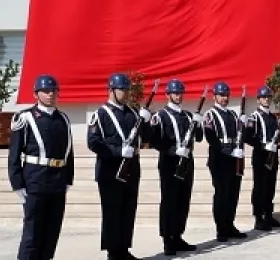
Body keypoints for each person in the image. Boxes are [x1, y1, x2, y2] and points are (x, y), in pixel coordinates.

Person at [87, 72, 153, 260]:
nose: (125, 93)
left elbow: (147, 139)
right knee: (112, 211)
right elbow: (93, 142)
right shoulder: (100, 114)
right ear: (111, 90)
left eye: (126, 89)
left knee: (128, 209)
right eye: (121, 89)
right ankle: (113, 252)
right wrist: (117, 151)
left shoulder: (133, 113)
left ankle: (124, 249)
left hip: (131, 169)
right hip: (110, 171)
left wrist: (147, 121)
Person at [8, 75, 74, 260]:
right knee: (33, 232)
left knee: (51, 231)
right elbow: (14, 154)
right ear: (36, 94)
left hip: (57, 181)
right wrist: (17, 183)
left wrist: (68, 178)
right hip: (35, 180)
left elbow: (68, 152)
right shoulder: (25, 117)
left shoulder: (63, 119)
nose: (51, 94)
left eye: (54, 90)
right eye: (46, 91)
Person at [149, 78, 203, 255]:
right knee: (169, 201)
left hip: (187, 162)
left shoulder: (188, 115)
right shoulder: (161, 116)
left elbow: (200, 138)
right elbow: (154, 141)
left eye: (180, 93)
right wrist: (173, 150)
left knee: (183, 200)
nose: (178, 96)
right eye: (175, 93)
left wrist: (199, 123)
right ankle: (167, 239)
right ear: (168, 95)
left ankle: (178, 235)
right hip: (169, 163)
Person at [202, 81, 247, 242]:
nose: (224, 98)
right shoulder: (210, 115)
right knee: (221, 193)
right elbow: (211, 138)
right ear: (214, 96)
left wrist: (244, 125)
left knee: (233, 193)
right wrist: (228, 151)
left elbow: (240, 136)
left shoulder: (233, 115)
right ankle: (221, 228)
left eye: (226, 95)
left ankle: (229, 224)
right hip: (219, 158)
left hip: (233, 159)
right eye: (221, 95)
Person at [246, 86, 280, 231]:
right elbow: (248, 137)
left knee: (270, 186)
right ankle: (259, 218)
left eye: (268, 97)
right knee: (259, 187)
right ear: (258, 99)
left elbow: (278, 138)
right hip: (260, 156)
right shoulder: (254, 117)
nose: (266, 99)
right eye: (264, 97)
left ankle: (268, 215)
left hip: (273, 156)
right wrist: (263, 145)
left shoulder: (272, 117)